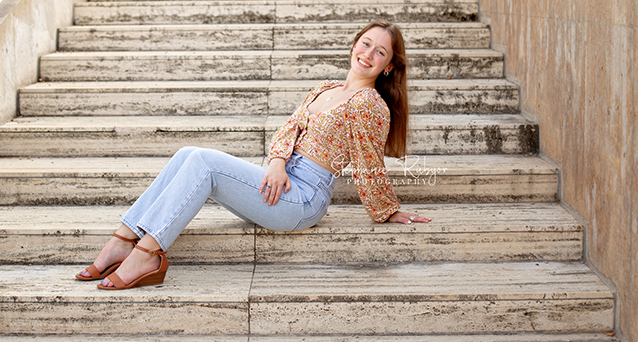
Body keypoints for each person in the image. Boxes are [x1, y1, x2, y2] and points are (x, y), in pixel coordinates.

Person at [77, 20, 431, 290]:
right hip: (279, 180)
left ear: (387, 66)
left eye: (379, 52)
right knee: (188, 152)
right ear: (354, 44)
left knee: (203, 163)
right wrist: (277, 164)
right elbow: (287, 130)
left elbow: (369, 162)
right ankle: (122, 240)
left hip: (304, 198)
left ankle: (146, 254)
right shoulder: (326, 88)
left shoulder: (369, 104)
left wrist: (388, 210)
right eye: (365, 43)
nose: (367, 54)